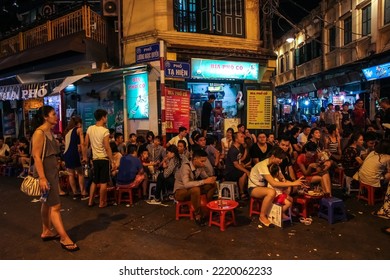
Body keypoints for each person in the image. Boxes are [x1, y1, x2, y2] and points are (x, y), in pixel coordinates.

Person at [31, 105, 79, 252]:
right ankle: (64, 237)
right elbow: (36, 156)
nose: (56, 115)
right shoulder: (39, 133)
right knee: (56, 206)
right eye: (53, 114)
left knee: (46, 203)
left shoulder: (49, 132)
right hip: (45, 174)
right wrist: (42, 178)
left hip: (51, 172)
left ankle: (46, 230)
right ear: (46, 117)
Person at [248, 147, 305, 227]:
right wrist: (293, 183)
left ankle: (282, 212)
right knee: (271, 192)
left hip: (265, 187)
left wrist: (290, 182)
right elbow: (273, 183)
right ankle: (262, 216)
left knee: (287, 186)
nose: (281, 161)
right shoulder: (263, 165)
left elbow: (282, 179)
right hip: (254, 188)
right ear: (273, 156)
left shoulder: (275, 166)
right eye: (280, 158)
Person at [173, 149, 217, 226]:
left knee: (213, 184)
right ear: (195, 159)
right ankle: (198, 215)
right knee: (195, 189)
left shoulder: (199, 167)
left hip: (191, 190)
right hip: (180, 192)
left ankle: (209, 207)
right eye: (202, 161)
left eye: (205, 161)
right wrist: (204, 181)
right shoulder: (185, 166)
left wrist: (210, 178)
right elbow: (186, 184)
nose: (203, 163)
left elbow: (206, 177)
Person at [84, 109, 116, 208]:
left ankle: (90, 201)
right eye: (106, 116)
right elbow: (107, 147)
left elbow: (85, 144)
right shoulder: (105, 131)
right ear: (103, 117)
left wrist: (85, 156)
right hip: (103, 159)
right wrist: (112, 160)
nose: (107, 118)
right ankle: (102, 202)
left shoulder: (90, 128)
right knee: (103, 182)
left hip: (95, 159)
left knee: (94, 181)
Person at [63, 116, 88, 200]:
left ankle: (75, 193)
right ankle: (83, 192)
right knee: (80, 173)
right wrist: (84, 156)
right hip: (74, 153)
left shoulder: (67, 132)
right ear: (79, 123)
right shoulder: (79, 129)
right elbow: (82, 144)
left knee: (71, 174)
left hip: (66, 154)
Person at [224, 131, 250, 199]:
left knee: (247, 170)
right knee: (244, 173)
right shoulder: (233, 150)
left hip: (235, 169)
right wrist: (246, 171)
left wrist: (245, 148)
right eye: (241, 137)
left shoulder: (239, 148)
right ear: (236, 139)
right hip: (230, 171)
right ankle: (241, 193)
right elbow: (236, 165)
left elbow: (241, 159)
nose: (243, 138)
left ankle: (245, 190)